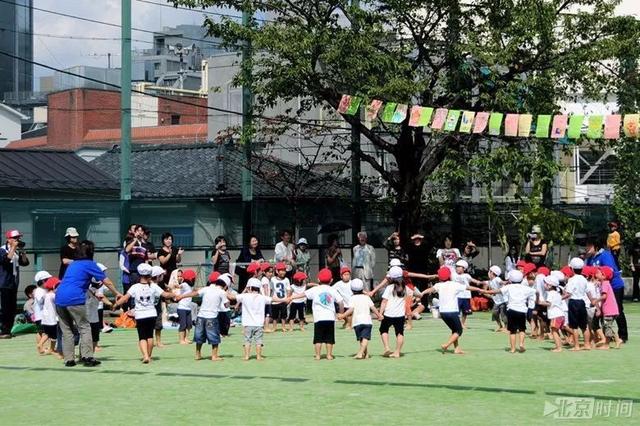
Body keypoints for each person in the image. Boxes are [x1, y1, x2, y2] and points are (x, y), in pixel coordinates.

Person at [55, 240, 122, 367]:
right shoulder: (90, 264)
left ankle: (69, 359)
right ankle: (87, 357)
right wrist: (116, 293)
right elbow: (106, 281)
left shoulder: (73, 265)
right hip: (75, 299)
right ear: (91, 252)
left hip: (59, 298)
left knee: (67, 330)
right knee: (85, 328)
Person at [111, 264, 175, 364]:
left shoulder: (135, 287)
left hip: (140, 315)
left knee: (142, 337)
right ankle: (149, 356)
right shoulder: (153, 286)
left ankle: (145, 356)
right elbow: (166, 295)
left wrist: (115, 305)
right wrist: (175, 294)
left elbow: (125, 298)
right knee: (150, 336)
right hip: (152, 314)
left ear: (139, 275)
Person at [421, 267, 486, 354]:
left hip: (443, 313)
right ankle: (446, 345)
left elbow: (430, 289)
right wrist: (479, 289)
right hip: (452, 312)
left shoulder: (438, 285)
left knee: (454, 330)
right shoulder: (455, 284)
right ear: (450, 276)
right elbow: (468, 287)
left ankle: (457, 348)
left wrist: (422, 293)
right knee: (459, 331)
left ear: (440, 277)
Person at [225, 277, 288, 361]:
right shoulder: (262, 297)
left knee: (247, 340)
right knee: (259, 341)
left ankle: (246, 356)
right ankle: (258, 356)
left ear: (249, 288)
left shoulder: (244, 296)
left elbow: (231, 297)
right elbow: (273, 299)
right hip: (259, 324)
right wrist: (285, 299)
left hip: (247, 324)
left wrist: (222, 290)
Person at [291, 268, 344, 360]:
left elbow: (303, 294)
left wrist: (291, 297)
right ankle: (329, 355)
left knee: (318, 338)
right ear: (331, 280)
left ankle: (318, 355)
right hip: (330, 318)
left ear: (318, 280)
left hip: (318, 318)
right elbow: (340, 302)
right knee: (329, 338)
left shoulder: (315, 289)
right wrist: (341, 313)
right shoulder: (332, 290)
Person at [584, 238, 628, 343]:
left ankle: (623, 335)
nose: (587, 248)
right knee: (602, 311)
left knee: (617, 310)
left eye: (589, 245)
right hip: (600, 288)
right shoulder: (590, 258)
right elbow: (588, 271)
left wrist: (600, 280)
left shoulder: (605, 255)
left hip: (614, 286)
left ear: (596, 246)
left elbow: (610, 271)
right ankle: (606, 335)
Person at [177, 277, 228, 361]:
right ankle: (214, 356)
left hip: (201, 316)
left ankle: (198, 354)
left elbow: (194, 293)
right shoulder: (222, 292)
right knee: (214, 337)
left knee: (199, 337)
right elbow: (226, 305)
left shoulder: (206, 289)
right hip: (211, 317)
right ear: (224, 286)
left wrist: (182, 296)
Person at [485, 269, 536, 353]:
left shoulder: (508, 287)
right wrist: (531, 305)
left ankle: (512, 349)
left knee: (512, 331)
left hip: (511, 310)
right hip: (522, 311)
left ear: (511, 279)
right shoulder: (526, 288)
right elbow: (535, 292)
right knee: (522, 329)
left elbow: (497, 291)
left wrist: (484, 291)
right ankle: (521, 344)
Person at [337, 278, 383, 359]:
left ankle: (360, 353)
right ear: (362, 289)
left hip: (357, 322)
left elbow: (350, 310)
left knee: (363, 338)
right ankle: (366, 353)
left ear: (352, 290)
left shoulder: (352, 298)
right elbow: (373, 308)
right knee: (363, 338)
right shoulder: (366, 297)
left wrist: (343, 315)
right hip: (367, 321)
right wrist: (379, 315)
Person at [0, 230, 30, 338]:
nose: (18, 240)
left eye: (18, 238)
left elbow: (25, 263)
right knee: (5, 308)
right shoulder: (2, 250)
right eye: (15, 238)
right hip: (4, 283)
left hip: (14, 283)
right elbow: (6, 260)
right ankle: (4, 331)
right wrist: (13, 247)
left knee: (12, 308)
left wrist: (22, 252)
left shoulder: (16, 252)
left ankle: (8, 330)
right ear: (9, 239)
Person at [378, 266, 409, 358]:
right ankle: (397, 352)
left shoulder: (389, 288)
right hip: (400, 315)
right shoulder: (405, 288)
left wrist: (380, 313)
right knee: (400, 333)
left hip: (388, 314)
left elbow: (384, 301)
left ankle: (387, 348)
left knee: (383, 329)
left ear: (391, 277)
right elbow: (412, 296)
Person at [563, 257, 592, 351]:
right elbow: (588, 292)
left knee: (574, 326)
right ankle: (587, 344)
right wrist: (592, 300)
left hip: (573, 302)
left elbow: (568, 293)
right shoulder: (584, 279)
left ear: (571, 269)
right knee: (584, 325)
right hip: (582, 302)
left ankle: (576, 346)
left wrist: (559, 298)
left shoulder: (571, 280)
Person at [595, 266, 622, 349]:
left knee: (607, 327)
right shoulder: (605, 283)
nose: (596, 274)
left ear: (603, 275)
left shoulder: (605, 284)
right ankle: (617, 340)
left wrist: (596, 300)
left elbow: (604, 296)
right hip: (610, 310)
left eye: (598, 273)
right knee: (607, 326)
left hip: (609, 310)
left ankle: (606, 344)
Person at [40, 277, 62, 358]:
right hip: (52, 319)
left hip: (45, 319)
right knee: (54, 336)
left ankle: (40, 344)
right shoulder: (53, 296)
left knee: (47, 334)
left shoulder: (46, 295)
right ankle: (52, 349)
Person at [33, 271, 52, 353]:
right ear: (43, 281)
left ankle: (40, 348)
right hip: (42, 315)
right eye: (48, 280)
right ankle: (41, 345)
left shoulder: (41, 290)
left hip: (39, 316)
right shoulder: (40, 290)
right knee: (48, 332)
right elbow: (41, 301)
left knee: (40, 332)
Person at [269, 262, 291, 332]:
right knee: (274, 316)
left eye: (284, 270)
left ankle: (283, 327)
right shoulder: (272, 279)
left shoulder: (286, 280)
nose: (283, 272)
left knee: (283, 315)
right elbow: (271, 289)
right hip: (275, 301)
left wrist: (288, 298)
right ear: (277, 271)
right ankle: (274, 327)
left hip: (283, 300)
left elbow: (288, 290)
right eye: (281, 270)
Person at [176, 269, 196, 344]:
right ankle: (181, 340)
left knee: (189, 325)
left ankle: (186, 338)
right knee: (183, 324)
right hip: (182, 308)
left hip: (188, 308)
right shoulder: (184, 284)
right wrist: (176, 285)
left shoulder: (190, 286)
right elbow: (179, 286)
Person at [486, 265, 507, 332]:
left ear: (493, 273)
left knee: (503, 315)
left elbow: (501, 282)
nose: (488, 273)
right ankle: (499, 325)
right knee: (495, 313)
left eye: (489, 271)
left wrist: (506, 282)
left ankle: (506, 327)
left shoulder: (497, 279)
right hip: (496, 301)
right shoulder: (490, 281)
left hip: (502, 301)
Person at [629, 232, 640, 302]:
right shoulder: (633, 246)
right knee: (635, 282)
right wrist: (631, 264)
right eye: (638, 239)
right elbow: (631, 256)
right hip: (635, 266)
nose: (639, 240)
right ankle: (635, 296)